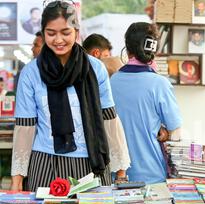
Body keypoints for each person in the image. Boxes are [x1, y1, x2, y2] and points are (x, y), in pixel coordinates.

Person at [10, 1, 131, 192]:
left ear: (76, 31)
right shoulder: (31, 73)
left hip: (92, 163)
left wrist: (121, 170)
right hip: (46, 164)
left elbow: (108, 117)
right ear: (43, 32)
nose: (58, 40)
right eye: (51, 33)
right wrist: (17, 179)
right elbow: (25, 126)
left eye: (65, 33)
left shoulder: (95, 68)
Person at [110, 22, 182, 184]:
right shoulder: (159, 84)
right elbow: (176, 133)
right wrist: (167, 132)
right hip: (152, 175)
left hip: (118, 174)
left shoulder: (112, 81)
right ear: (153, 50)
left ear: (127, 49)